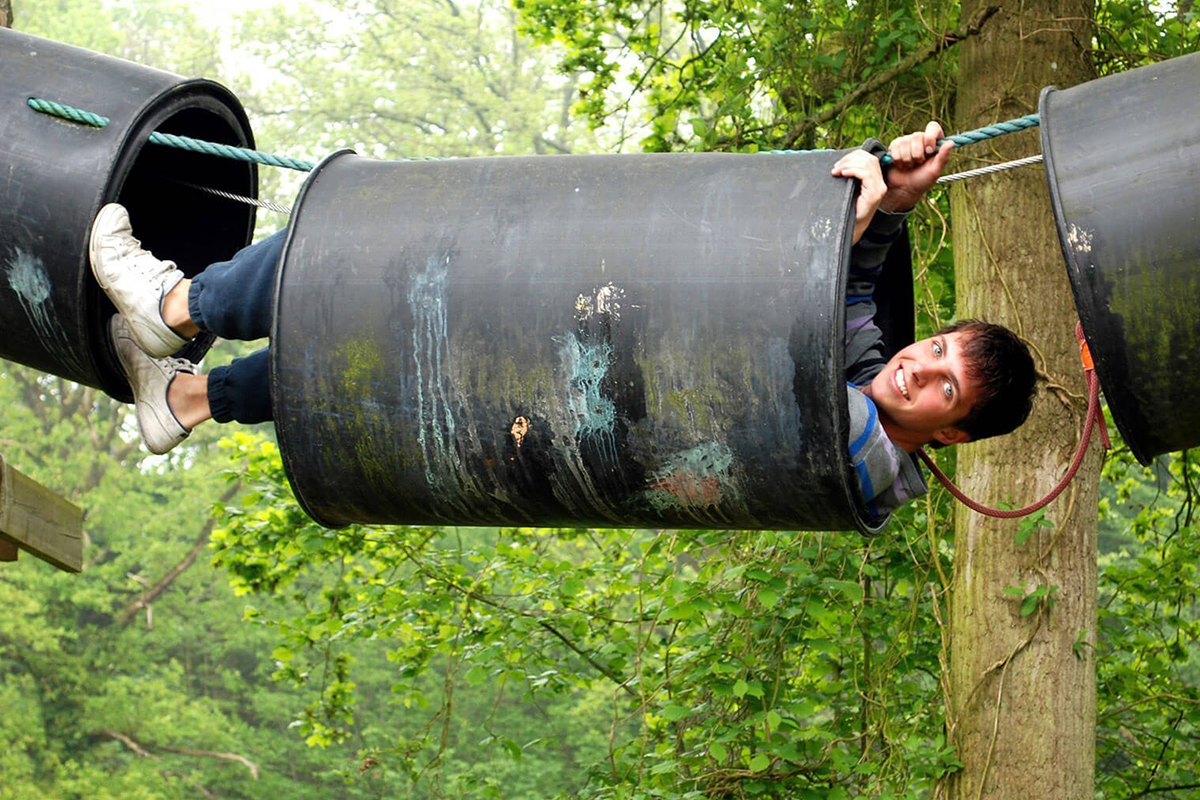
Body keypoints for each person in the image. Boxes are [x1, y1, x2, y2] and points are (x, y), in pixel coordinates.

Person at [831, 122, 1036, 520]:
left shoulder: (864, 455)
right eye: (938, 349)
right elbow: (850, 295)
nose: (921, 369)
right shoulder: (873, 390)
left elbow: (777, 353)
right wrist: (897, 197)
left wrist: (848, 229)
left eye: (947, 388)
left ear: (950, 433)